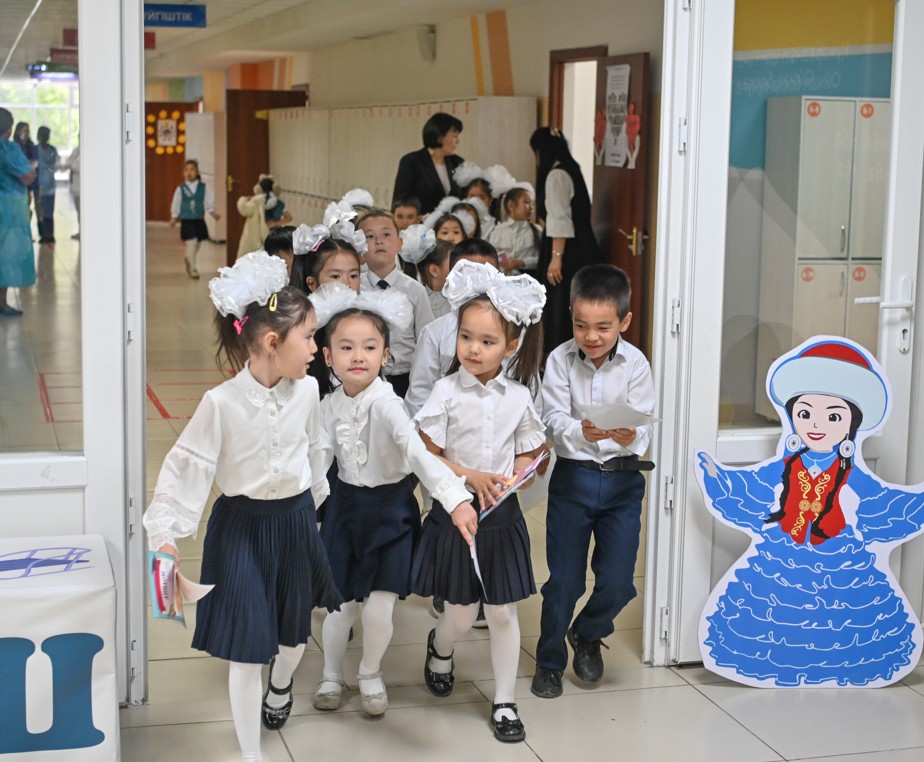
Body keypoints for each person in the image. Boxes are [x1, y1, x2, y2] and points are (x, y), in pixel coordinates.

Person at [142, 252, 341, 762]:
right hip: (240, 531)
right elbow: (184, 467)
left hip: (295, 523)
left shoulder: (309, 390)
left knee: (293, 642)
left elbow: (316, 451)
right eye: (309, 338)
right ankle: (252, 754)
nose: (316, 349)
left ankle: (282, 684)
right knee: (247, 650)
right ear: (273, 343)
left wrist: (317, 511)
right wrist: (165, 535)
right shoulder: (221, 402)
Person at [697, 338, 924, 687]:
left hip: (839, 559)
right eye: (805, 414)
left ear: (851, 424)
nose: (816, 425)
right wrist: (719, 477)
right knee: (774, 612)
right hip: (782, 555)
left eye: (833, 416)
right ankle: (782, 666)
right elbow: (754, 486)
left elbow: (882, 502)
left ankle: (835, 668)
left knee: (843, 619)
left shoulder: (850, 472)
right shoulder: (787, 465)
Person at [307, 285, 474, 716]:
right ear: (328, 356)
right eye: (346, 347)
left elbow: (417, 453)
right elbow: (318, 461)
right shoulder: (327, 406)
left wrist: (454, 497)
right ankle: (331, 673)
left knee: (379, 608)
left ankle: (369, 672)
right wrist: (305, 512)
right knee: (338, 607)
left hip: (390, 513)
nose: (357, 356)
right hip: (345, 511)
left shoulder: (388, 403)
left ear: (386, 356)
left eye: (369, 347)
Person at [410, 263, 547, 743]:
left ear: (511, 346)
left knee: (503, 612)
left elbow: (531, 450)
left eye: (487, 341)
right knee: (462, 613)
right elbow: (425, 452)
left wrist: (521, 473)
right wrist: (469, 477)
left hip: (500, 515)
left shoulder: (518, 396)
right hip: (455, 510)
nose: (472, 348)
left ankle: (505, 700)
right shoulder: (446, 391)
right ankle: (440, 646)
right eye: (466, 337)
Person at [531, 264, 654, 699]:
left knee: (619, 581)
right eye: (581, 325)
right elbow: (551, 418)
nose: (591, 336)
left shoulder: (636, 363)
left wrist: (630, 434)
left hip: (623, 483)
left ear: (624, 321)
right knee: (564, 582)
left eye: (603, 327)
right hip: (574, 480)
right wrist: (580, 431)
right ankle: (549, 662)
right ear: (571, 317)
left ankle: (587, 631)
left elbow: (644, 425)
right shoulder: (559, 360)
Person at [404, 241, 501, 418]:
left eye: (486, 275)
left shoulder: (515, 331)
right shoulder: (434, 333)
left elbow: (527, 391)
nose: (478, 285)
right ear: (453, 278)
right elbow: (419, 398)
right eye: (469, 275)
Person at [530, 127, 602, 354]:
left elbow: (559, 219)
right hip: (582, 247)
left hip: (567, 251)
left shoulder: (556, 175)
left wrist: (556, 258)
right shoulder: (571, 167)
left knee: (560, 303)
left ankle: (559, 354)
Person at [356, 209, 434, 398]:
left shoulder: (415, 290)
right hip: (363, 378)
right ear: (359, 247)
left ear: (399, 244)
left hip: (405, 380)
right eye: (369, 236)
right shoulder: (355, 288)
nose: (378, 241)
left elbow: (426, 341)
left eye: (386, 234)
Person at [0, 108, 36, 316]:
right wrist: (31, 167)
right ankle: (2, 304)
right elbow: (27, 176)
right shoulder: (9, 149)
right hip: (9, 209)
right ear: (9, 128)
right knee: (6, 255)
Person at [392, 112, 464, 215]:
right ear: (440, 137)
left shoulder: (458, 163)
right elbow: (400, 201)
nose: (457, 141)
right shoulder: (411, 162)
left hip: (450, 224)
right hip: (420, 223)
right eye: (454, 136)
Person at [169, 159, 220, 279]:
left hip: (198, 219)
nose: (189, 172)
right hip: (187, 220)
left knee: (197, 243)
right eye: (186, 170)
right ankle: (193, 269)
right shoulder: (181, 188)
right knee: (192, 242)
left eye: (192, 170)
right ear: (183, 173)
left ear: (197, 172)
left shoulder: (203, 187)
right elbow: (176, 202)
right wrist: (174, 216)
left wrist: (213, 213)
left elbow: (208, 201)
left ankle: (188, 258)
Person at [488, 185, 541, 275]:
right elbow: (491, 257)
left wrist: (521, 263)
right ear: (511, 205)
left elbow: (542, 259)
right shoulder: (498, 231)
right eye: (527, 202)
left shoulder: (537, 230)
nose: (531, 207)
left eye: (532, 203)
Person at [236, 177, 273, 258]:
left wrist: (243, 199)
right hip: (266, 233)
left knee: (248, 255)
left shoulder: (257, 200)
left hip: (254, 234)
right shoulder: (273, 199)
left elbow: (244, 209)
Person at [35, 126, 60, 244]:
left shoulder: (52, 150)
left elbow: (56, 166)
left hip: (49, 186)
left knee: (48, 211)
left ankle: (49, 234)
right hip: (39, 186)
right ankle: (45, 234)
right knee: (41, 212)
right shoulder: (35, 150)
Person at [392, 194, 423, 279]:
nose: (404, 222)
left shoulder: (426, 246)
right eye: (400, 217)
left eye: (410, 217)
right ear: (392, 217)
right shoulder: (385, 245)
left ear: (419, 219)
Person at [13, 122, 38, 225]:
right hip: (15, 185)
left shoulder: (31, 146)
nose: (26, 133)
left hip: (27, 184)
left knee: (26, 209)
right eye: (24, 131)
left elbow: (34, 162)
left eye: (28, 131)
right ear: (18, 132)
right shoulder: (13, 147)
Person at [65, 142, 80, 239]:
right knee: (78, 211)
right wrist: (71, 165)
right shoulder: (76, 150)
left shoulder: (86, 152)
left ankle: (83, 230)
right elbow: (68, 162)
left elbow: (79, 168)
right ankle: (80, 230)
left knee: (82, 211)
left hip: (81, 188)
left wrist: (72, 165)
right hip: (75, 187)